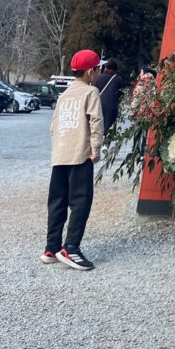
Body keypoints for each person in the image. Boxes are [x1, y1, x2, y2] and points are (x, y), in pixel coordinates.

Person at [40, 49, 104, 271]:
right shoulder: (91, 91)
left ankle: (51, 248)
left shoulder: (64, 94)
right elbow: (95, 121)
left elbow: (53, 126)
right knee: (80, 202)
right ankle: (71, 248)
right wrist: (96, 148)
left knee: (57, 201)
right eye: (98, 69)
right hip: (80, 154)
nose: (98, 73)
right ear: (90, 72)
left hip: (60, 155)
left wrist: (58, 147)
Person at [95, 58, 125, 137]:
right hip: (112, 109)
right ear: (116, 69)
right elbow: (121, 95)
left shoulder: (98, 78)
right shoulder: (119, 80)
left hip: (98, 106)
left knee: (97, 129)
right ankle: (106, 143)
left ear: (106, 67)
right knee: (108, 131)